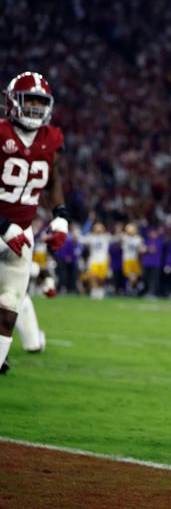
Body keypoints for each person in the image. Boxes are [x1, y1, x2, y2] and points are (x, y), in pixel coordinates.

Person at [1, 72, 69, 375]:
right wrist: (3, 225)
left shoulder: (50, 139)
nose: (34, 109)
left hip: (21, 233)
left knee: (9, 305)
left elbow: (53, 179)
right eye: (29, 102)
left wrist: (61, 216)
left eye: (41, 103)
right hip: (6, 227)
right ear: (13, 101)